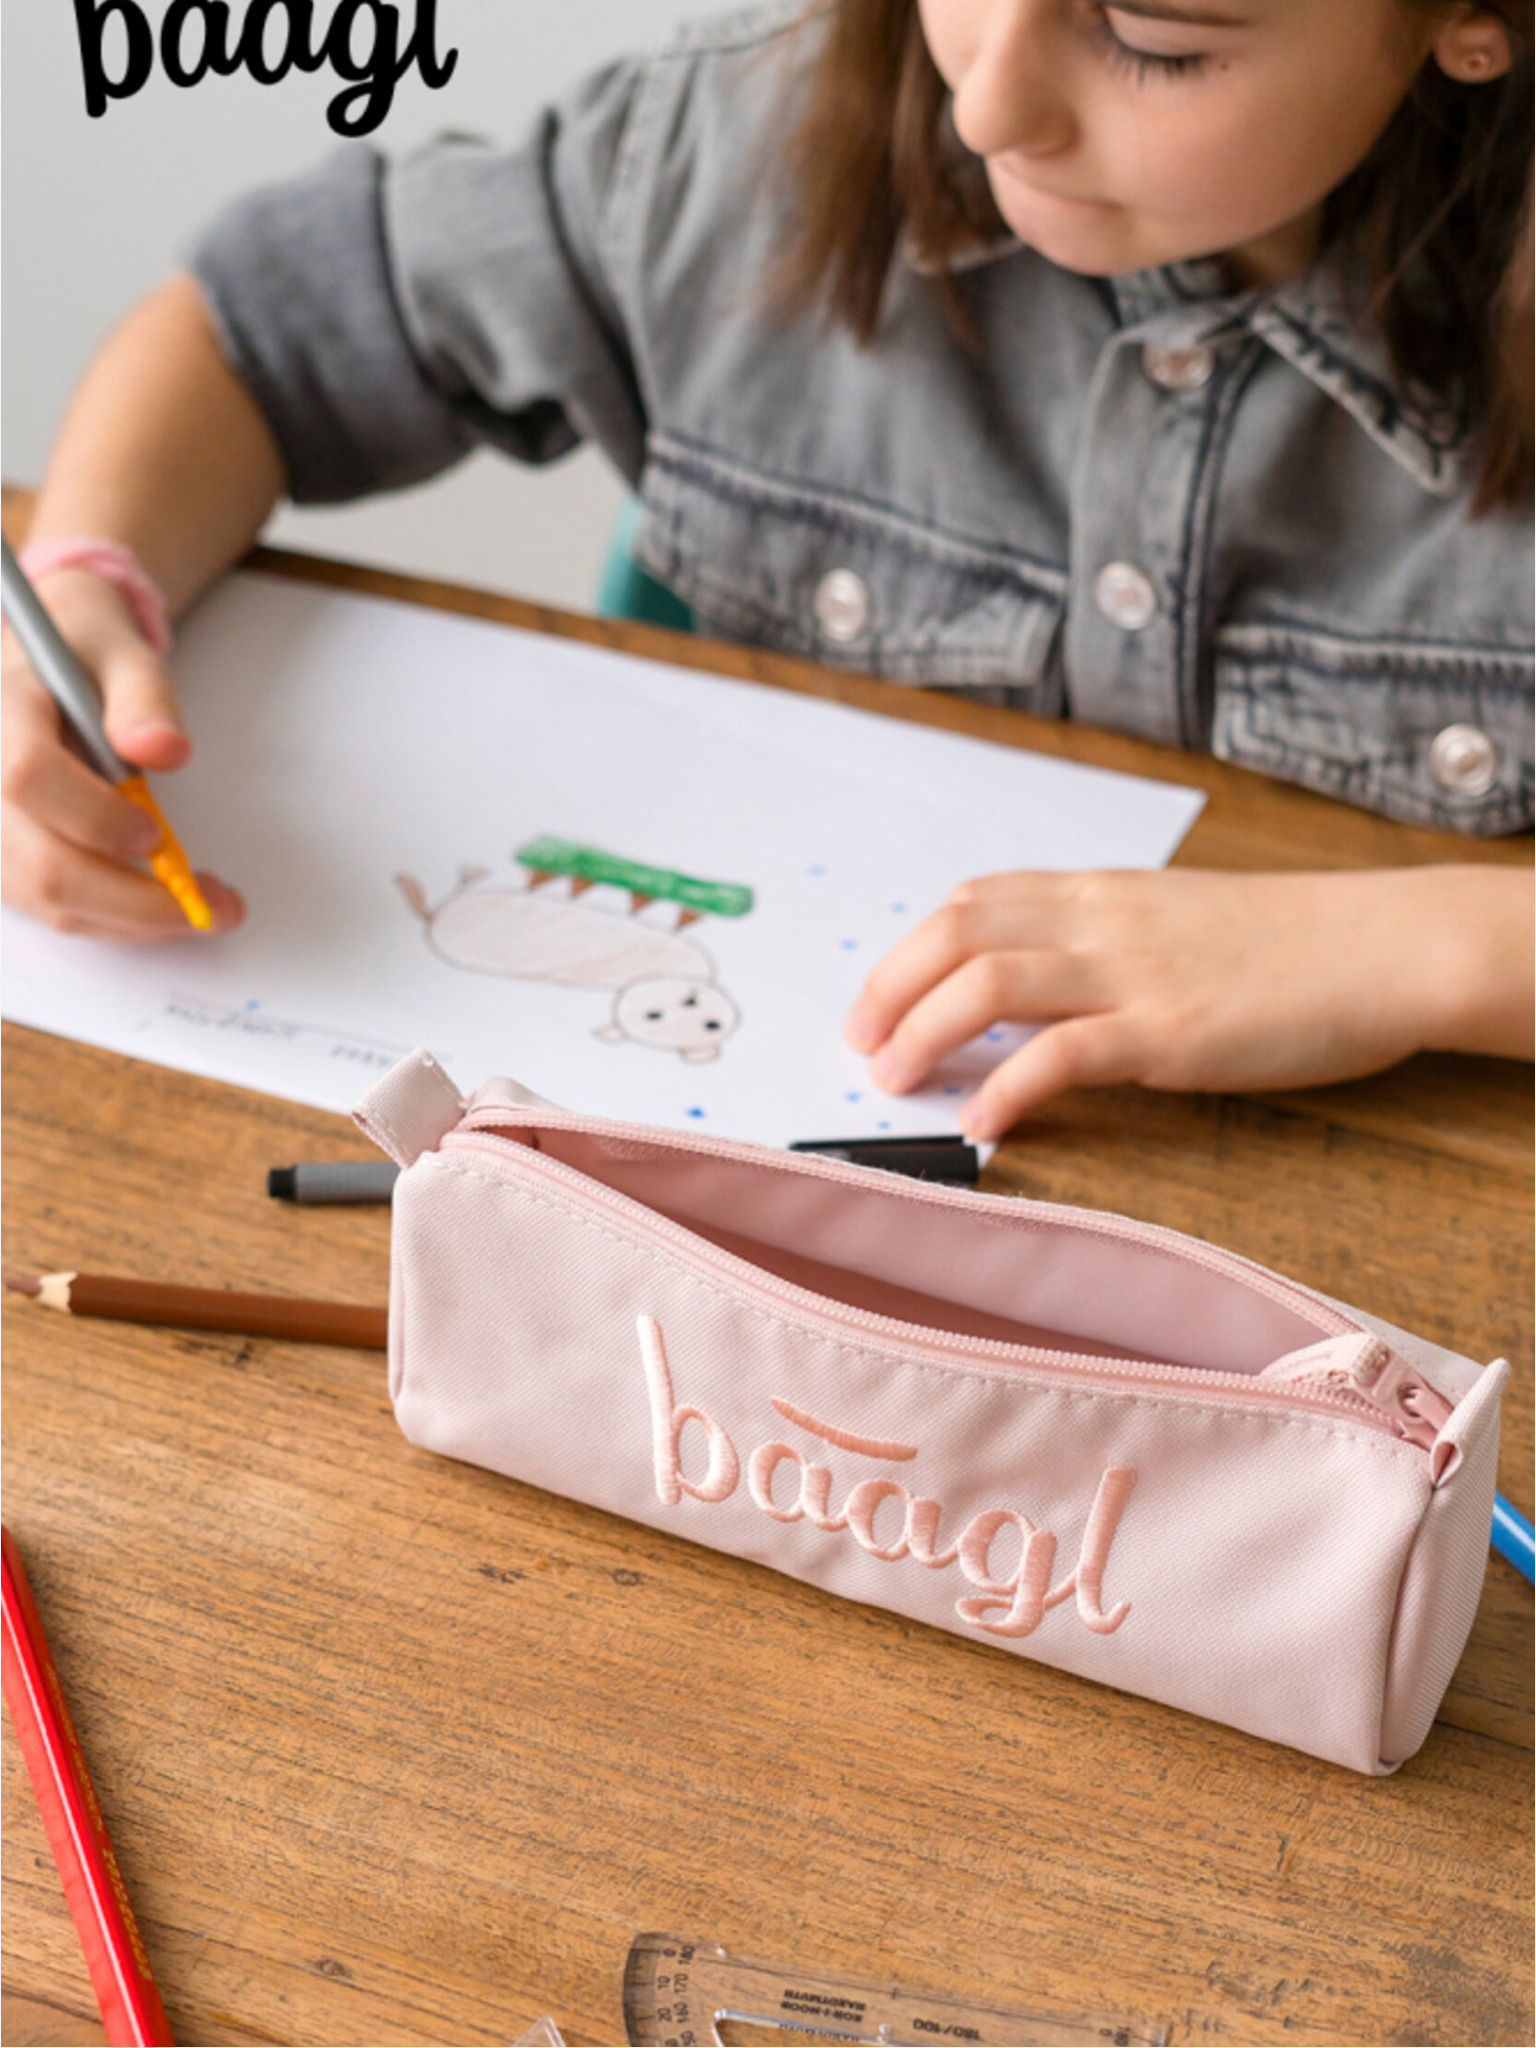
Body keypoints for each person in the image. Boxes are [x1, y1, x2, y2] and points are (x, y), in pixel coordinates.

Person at [3, 0, 1531, 1135]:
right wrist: (84, 589)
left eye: (1152, 39)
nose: (987, 104)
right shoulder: (742, 142)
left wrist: (1414, 951)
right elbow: (260, 337)